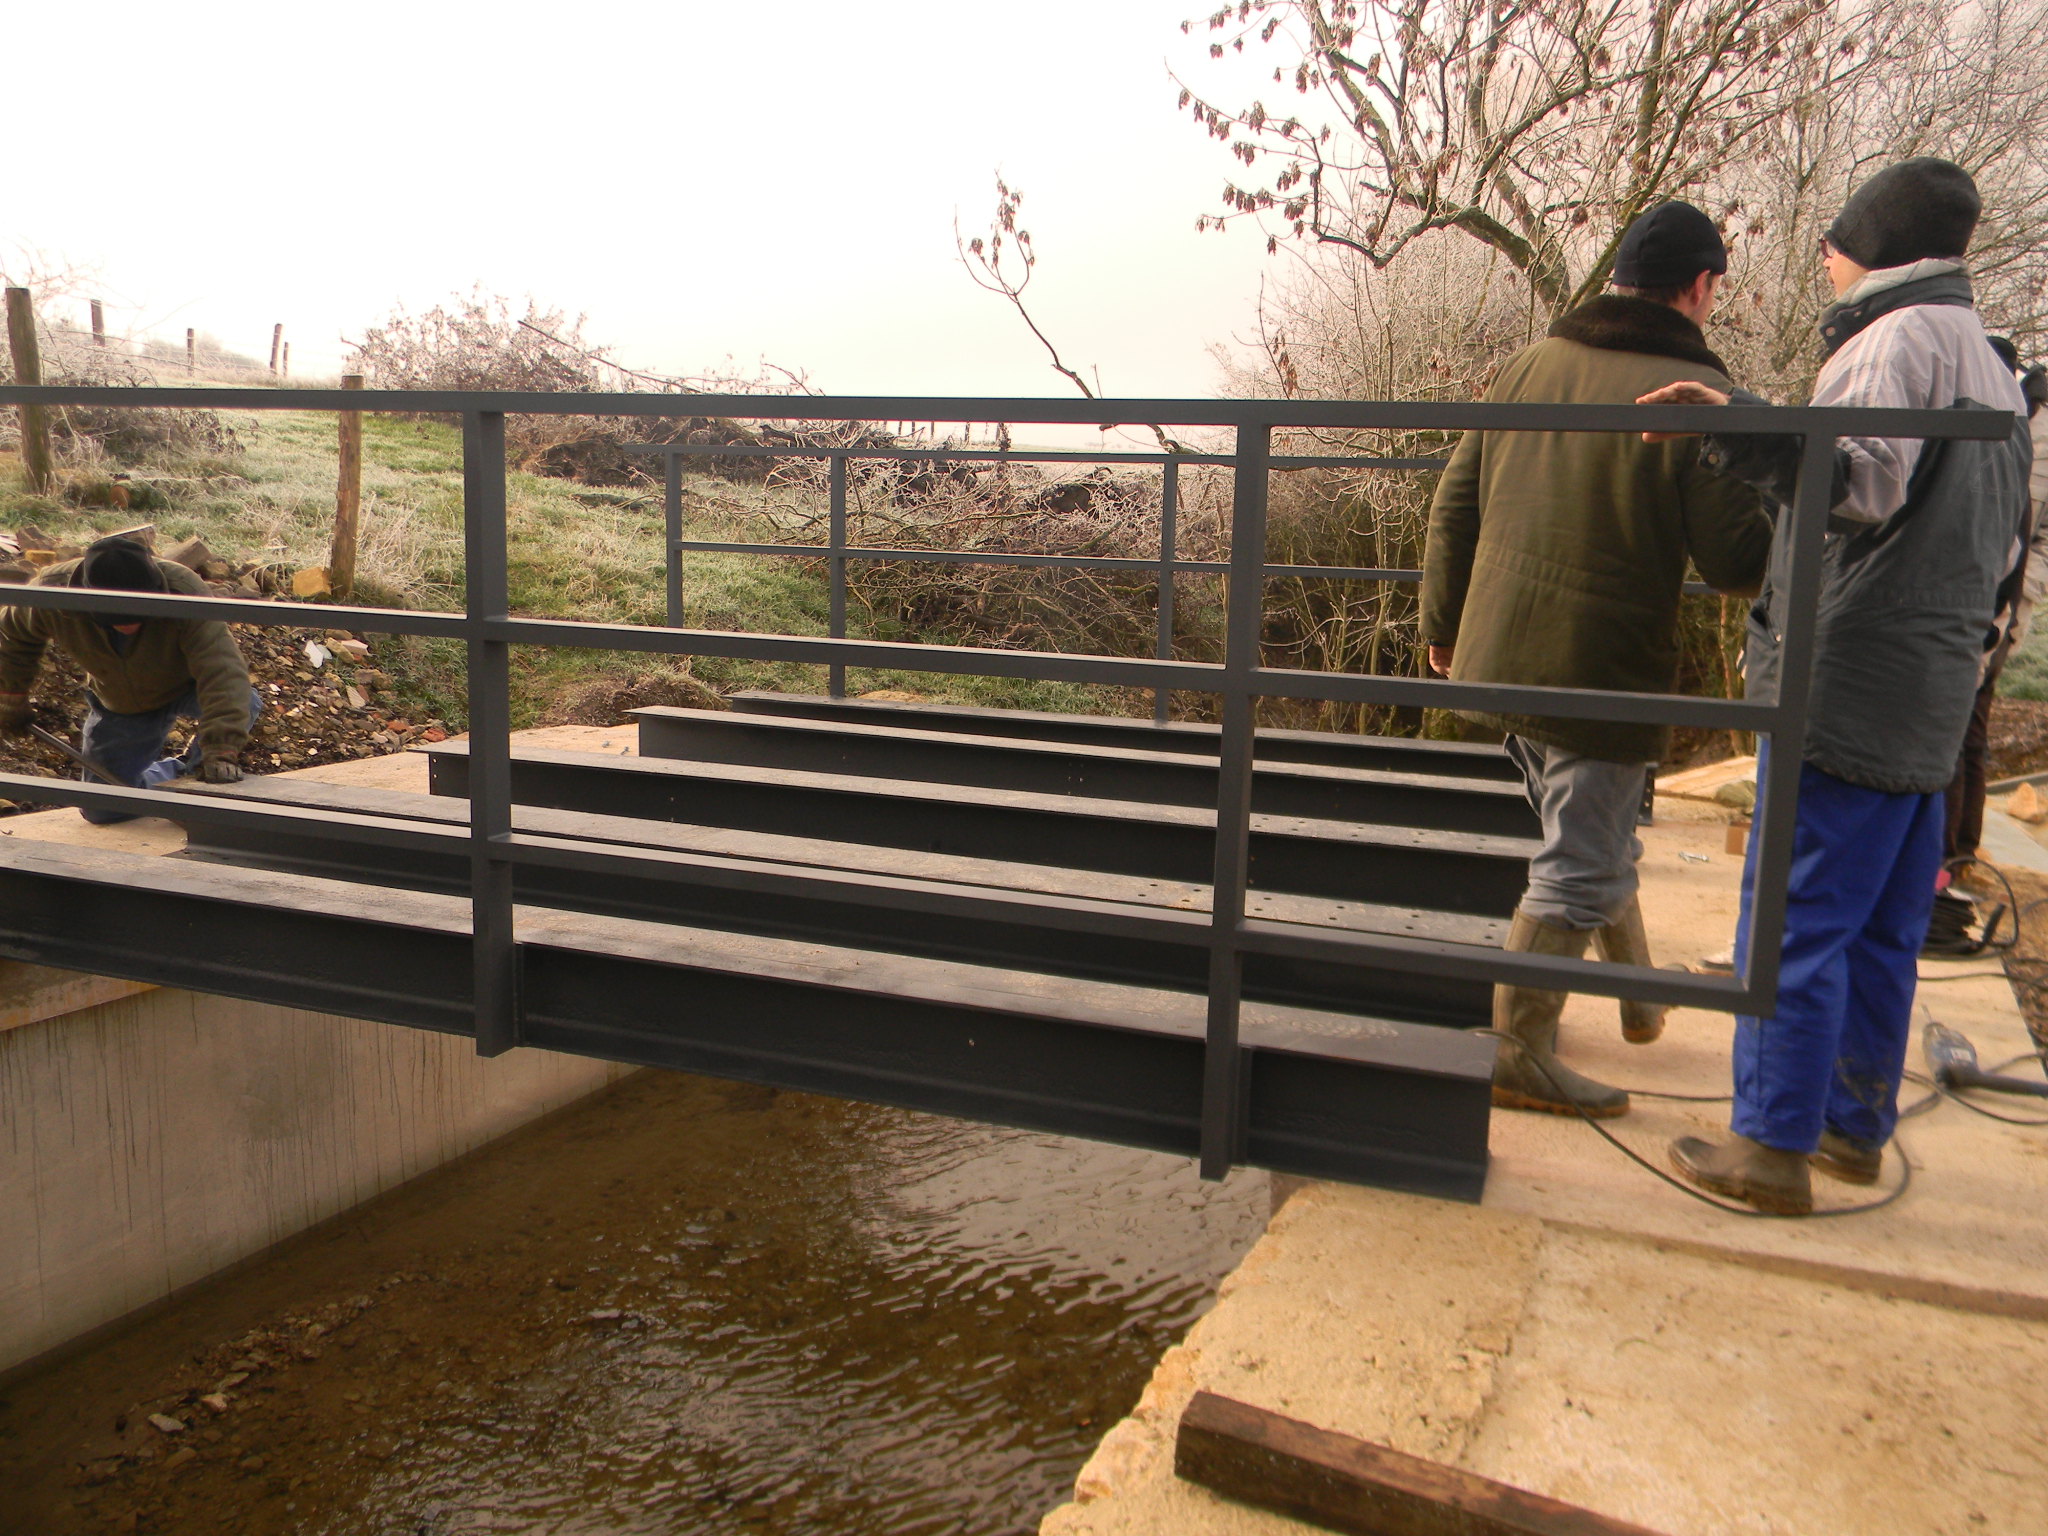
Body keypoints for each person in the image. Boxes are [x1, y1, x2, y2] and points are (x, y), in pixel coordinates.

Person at [1638, 158, 2031, 1213]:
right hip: (1931, 687)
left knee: (1791, 918)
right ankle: (1851, 1131)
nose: (1822, 248)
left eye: (1838, 231)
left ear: (1879, 244)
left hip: (1845, 679)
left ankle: (1768, 1147)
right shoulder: (1990, 367)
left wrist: (1730, 419)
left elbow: (1855, 480)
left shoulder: (1887, 341)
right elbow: (2004, 553)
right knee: (1881, 926)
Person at [1421, 200, 1773, 1120]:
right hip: (1598, 668)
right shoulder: (1691, 388)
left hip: (1499, 650)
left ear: (1617, 277)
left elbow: (1456, 499)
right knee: (1580, 857)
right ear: (1700, 287)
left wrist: (1442, 621)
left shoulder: (1532, 363)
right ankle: (1518, 1052)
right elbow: (1736, 562)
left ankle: (1642, 1002)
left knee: (1587, 829)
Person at [1924, 339, 2048, 955]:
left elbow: (2028, 540)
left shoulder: (2022, 436)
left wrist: (2013, 613)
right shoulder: (2015, 424)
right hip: (1982, 606)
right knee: (1964, 734)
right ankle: (1952, 860)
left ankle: (1946, 866)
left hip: (1989, 612)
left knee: (1957, 735)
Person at [0, 534, 259, 821]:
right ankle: (169, 782)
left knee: (242, 700)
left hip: (187, 684)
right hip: (121, 700)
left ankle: (197, 779)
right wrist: (11, 695)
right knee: (103, 809)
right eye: (116, 620)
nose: (129, 626)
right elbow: (11, 638)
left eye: (138, 617)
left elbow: (221, 669)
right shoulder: (52, 592)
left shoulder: (183, 589)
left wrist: (221, 748)